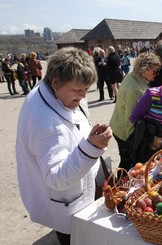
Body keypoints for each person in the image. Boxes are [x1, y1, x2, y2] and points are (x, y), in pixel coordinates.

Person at [16, 47, 113, 245]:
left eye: (86, 90)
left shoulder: (56, 93)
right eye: (78, 90)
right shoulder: (46, 122)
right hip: (67, 202)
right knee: (74, 239)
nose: (83, 96)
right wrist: (91, 148)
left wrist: (89, 137)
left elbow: (73, 122)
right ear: (56, 82)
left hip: (79, 189)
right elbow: (56, 177)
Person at [110, 52, 161, 170]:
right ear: (144, 69)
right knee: (127, 162)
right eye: (155, 72)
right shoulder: (137, 90)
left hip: (118, 125)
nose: (157, 75)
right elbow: (132, 119)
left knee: (125, 160)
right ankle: (119, 185)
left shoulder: (133, 76)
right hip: (124, 132)